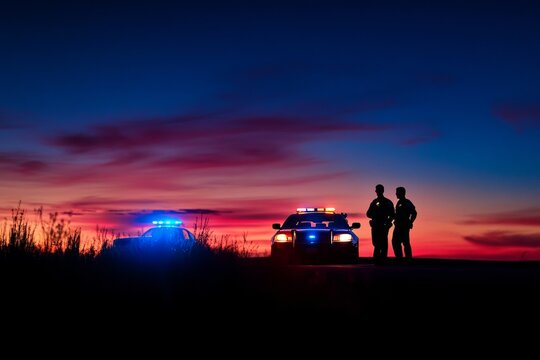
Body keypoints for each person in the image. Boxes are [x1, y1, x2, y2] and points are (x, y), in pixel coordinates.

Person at [366, 184, 394, 264]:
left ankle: (381, 260)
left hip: (383, 225)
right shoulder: (374, 202)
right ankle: (377, 260)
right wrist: (374, 216)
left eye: (378, 190)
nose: (377, 191)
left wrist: (388, 223)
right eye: (377, 190)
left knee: (383, 243)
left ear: (382, 191)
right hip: (375, 225)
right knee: (375, 242)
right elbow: (368, 213)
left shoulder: (387, 202)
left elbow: (392, 214)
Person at [392, 186, 417, 260]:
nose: (396, 194)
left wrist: (410, 222)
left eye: (397, 192)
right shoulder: (399, 202)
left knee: (405, 242)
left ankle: (408, 259)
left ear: (401, 193)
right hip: (398, 226)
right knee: (396, 242)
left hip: (404, 226)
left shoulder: (407, 202)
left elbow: (414, 213)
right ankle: (400, 258)